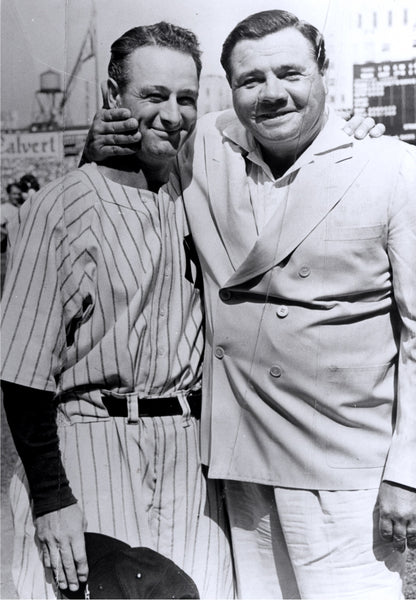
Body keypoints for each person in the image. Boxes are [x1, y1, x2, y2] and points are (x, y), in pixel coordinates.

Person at [85, 9, 416, 600]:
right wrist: (94, 147)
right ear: (229, 88)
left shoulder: (390, 166)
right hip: (241, 462)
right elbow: (118, 198)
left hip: (346, 471)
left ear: (323, 73)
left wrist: (407, 475)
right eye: (250, 80)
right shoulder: (205, 142)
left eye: (290, 72)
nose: (272, 94)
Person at [1, 23, 233, 600]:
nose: (172, 114)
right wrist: (52, 500)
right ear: (112, 96)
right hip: (92, 442)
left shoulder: (195, 190)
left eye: (186, 97)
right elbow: (22, 374)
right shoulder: (59, 205)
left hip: (188, 450)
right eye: (153, 95)